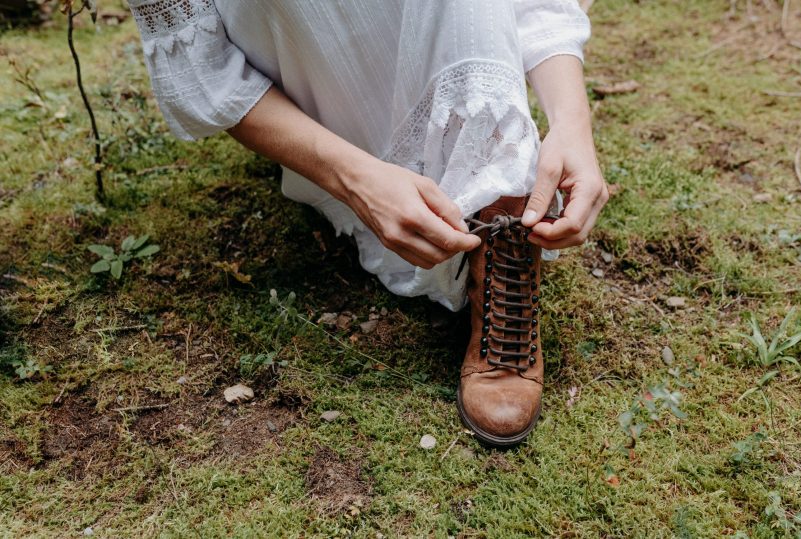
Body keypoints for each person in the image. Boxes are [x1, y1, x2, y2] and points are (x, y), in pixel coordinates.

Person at [128, 0, 608, 447]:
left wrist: (572, 123)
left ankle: (503, 228)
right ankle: (403, 165)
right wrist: (356, 179)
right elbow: (205, 72)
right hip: (322, 88)